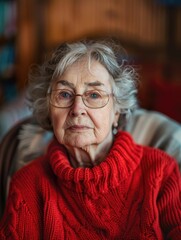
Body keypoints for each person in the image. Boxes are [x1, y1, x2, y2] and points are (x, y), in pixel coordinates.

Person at [0, 39, 180, 239]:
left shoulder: (161, 172)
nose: (77, 109)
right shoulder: (28, 185)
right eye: (65, 94)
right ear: (49, 110)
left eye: (94, 95)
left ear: (117, 111)